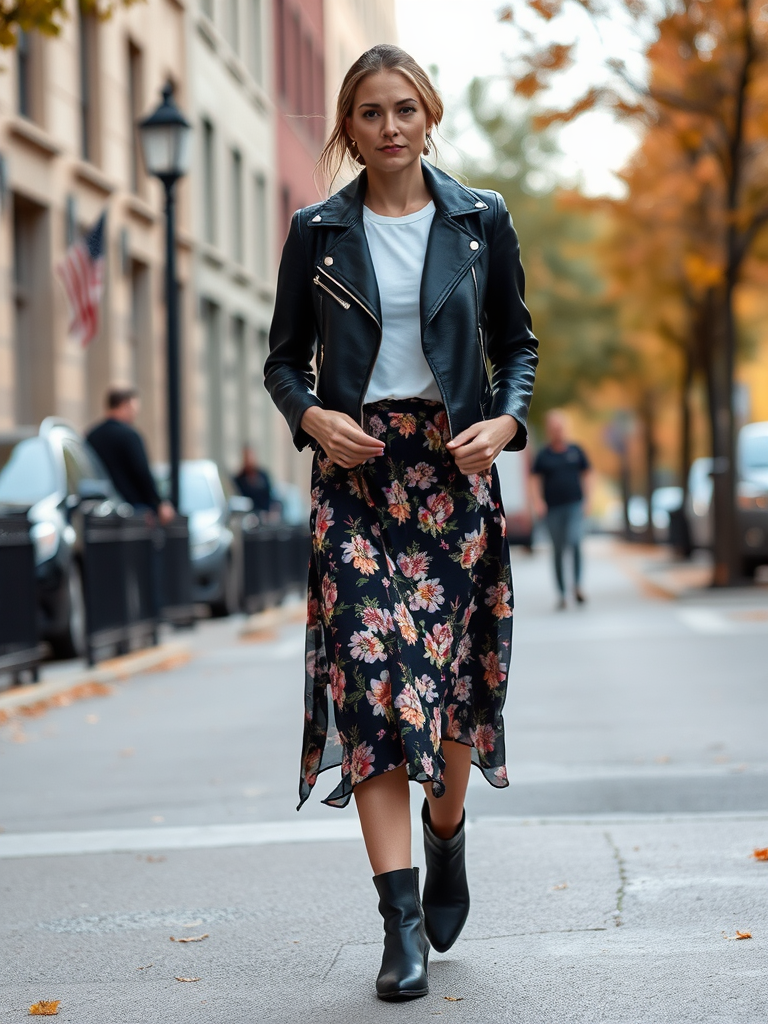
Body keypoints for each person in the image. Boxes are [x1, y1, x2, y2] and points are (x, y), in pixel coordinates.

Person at [264, 45, 538, 1002]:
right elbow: (283, 360)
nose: (389, 127)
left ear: (430, 117)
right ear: (350, 127)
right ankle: (401, 923)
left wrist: (506, 421)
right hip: (356, 478)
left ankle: (447, 830)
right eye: (371, 113)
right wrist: (310, 416)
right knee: (373, 692)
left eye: (405, 109)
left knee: (452, 688)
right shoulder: (318, 231)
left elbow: (518, 344)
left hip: (453, 474)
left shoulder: (479, 220)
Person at [87, 387, 175, 525]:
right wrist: (158, 503)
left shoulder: (92, 436)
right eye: (134, 408)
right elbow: (142, 472)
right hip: (134, 510)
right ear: (125, 405)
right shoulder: (130, 435)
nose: (135, 413)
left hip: (101, 511)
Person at [531, 410, 591, 610]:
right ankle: (562, 594)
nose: (557, 431)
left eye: (560, 427)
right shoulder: (544, 455)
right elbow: (534, 479)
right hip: (553, 509)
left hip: (574, 505)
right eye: (554, 428)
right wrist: (538, 501)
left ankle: (577, 586)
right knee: (557, 550)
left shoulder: (576, 451)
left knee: (574, 541)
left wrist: (588, 499)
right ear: (549, 430)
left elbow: (588, 474)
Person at [233, 446, 276, 516]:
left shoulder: (263, 475)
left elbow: (270, 495)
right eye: (246, 457)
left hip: (265, 513)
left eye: (250, 457)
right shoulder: (239, 479)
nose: (249, 460)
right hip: (248, 514)